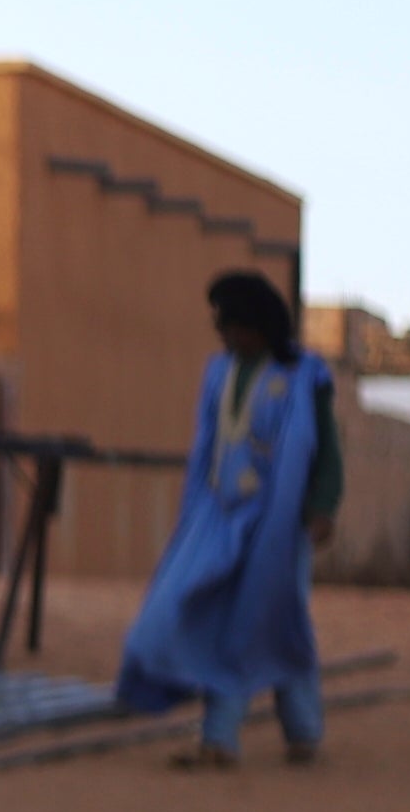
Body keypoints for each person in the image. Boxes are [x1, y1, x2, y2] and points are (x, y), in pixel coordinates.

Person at [116, 270, 341, 770]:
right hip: (218, 517)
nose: (226, 336)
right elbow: (206, 444)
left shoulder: (305, 375)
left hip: (280, 523)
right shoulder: (218, 372)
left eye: (233, 325)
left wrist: (322, 508)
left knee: (275, 620)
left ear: (259, 326)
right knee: (197, 610)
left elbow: (325, 449)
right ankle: (219, 736)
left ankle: (288, 732)